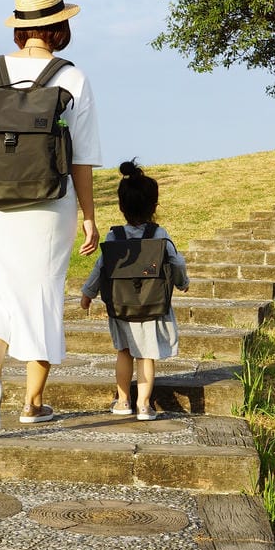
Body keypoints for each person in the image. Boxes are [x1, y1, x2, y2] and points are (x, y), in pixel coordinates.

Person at [0, 0, 101, 438]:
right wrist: (89, 215)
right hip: (49, 202)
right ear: (60, 26)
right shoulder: (71, 77)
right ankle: (32, 405)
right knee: (43, 296)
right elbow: (82, 158)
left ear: (21, 28)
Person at [80, 160, 188, 421]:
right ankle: (143, 405)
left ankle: (123, 401)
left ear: (121, 206)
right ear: (154, 206)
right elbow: (177, 261)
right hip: (152, 306)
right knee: (146, 356)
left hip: (121, 306)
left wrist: (87, 293)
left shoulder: (114, 236)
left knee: (124, 352)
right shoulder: (158, 233)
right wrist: (181, 282)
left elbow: (101, 266)